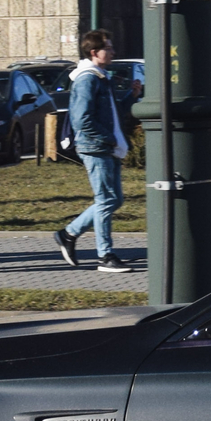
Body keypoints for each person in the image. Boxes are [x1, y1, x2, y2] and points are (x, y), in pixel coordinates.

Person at [55, 30, 133, 272]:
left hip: (106, 146)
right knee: (106, 200)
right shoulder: (87, 78)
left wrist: (132, 96)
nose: (112, 52)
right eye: (107, 48)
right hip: (96, 147)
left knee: (113, 199)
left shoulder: (100, 77)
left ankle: (68, 234)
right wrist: (108, 139)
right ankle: (105, 256)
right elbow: (82, 119)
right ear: (93, 52)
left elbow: (111, 112)